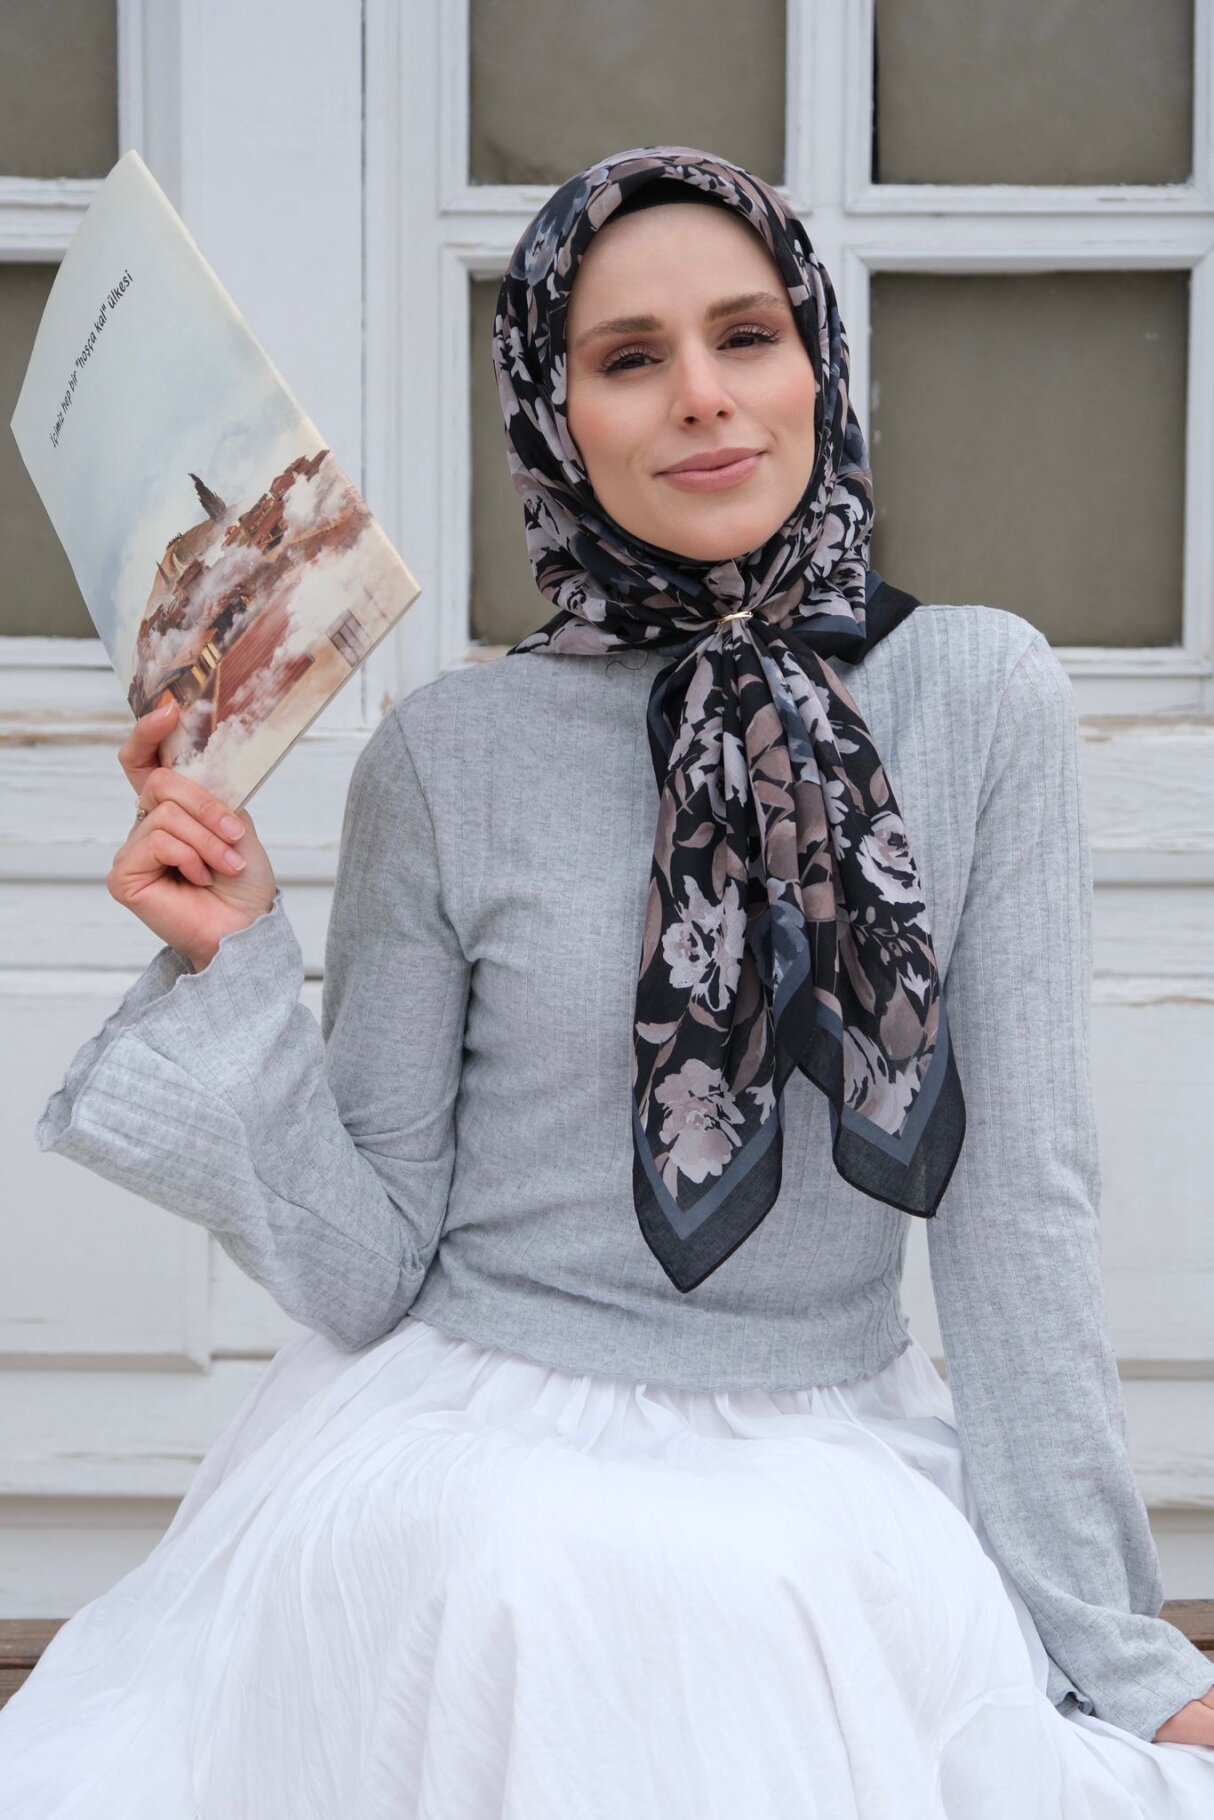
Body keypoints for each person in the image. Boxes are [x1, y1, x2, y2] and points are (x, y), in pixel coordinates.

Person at [2, 144, 1212, 1818]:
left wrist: (1124, 1651)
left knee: (756, 1604)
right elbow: (365, 1266)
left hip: (821, 1434)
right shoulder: (448, 753)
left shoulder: (975, 692)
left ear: (817, 364)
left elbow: (1020, 1209)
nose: (702, 396)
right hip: (473, 1433)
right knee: (544, 1573)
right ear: (553, 416)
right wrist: (234, 957)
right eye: (629, 357)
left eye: (747, 335)